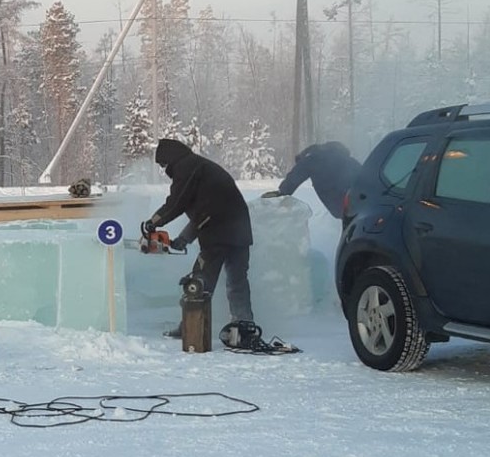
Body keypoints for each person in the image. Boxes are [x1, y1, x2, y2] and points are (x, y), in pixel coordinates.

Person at [142, 138, 255, 336]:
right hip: (239, 230)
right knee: (237, 280)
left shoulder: (186, 168)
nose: (163, 169)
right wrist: (183, 239)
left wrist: (153, 222)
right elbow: (206, 211)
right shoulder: (200, 167)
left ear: (169, 159)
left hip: (218, 233)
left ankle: (190, 327)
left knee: (199, 282)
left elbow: (176, 203)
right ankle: (243, 325)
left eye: (162, 164)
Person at [261, 141, 362, 218]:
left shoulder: (313, 159)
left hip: (342, 202)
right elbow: (366, 175)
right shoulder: (349, 160)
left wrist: (282, 192)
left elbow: (296, 175)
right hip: (363, 199)